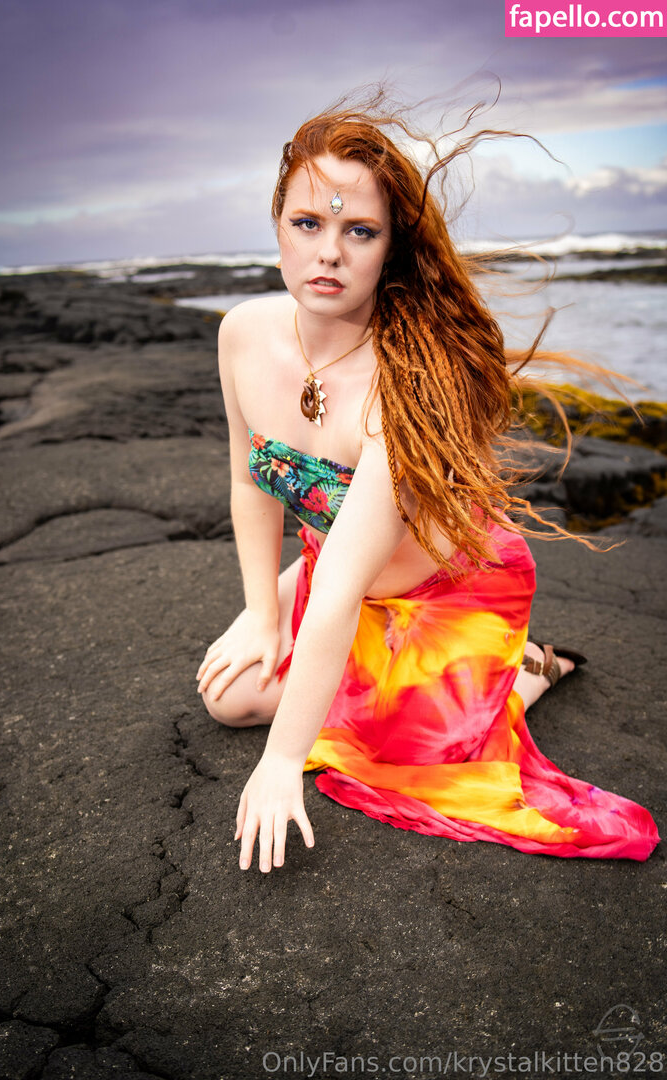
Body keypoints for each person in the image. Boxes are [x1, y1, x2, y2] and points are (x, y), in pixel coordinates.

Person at [195, 95, 660, 872]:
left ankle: (525, 670)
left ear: (391, 248)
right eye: (307, 223)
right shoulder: (241, 333)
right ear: (277, 224)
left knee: (410, 753)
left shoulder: (404, 380)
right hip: (332, 570)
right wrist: (260, 616)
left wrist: (282, 764)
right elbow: (249, 481)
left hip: (440, 594)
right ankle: (447, 682)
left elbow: (341, 589)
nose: (329, 252)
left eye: (360, 230)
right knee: (229, 697)